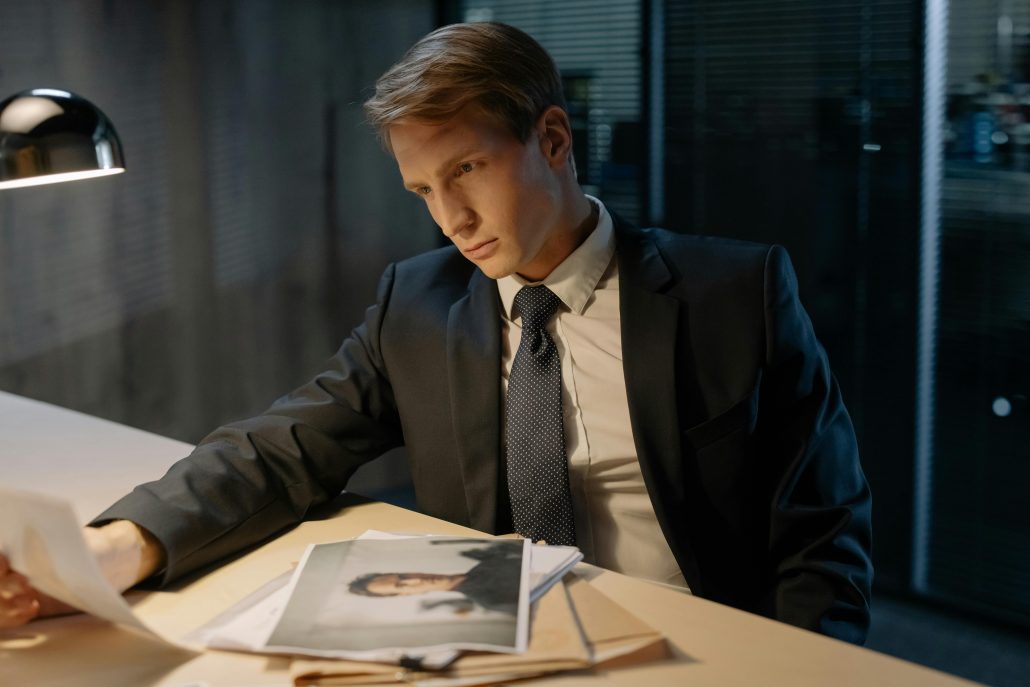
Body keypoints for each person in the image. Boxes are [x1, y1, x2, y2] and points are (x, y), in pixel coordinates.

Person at [0, 22, 872, 643]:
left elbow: (823, 532)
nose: (451, 217)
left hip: (687, 646)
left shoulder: (735, 293)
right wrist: (115, 547)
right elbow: (281, 449)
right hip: (486, 649)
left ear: (554, 139)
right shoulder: (415, 302)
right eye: (423, 190)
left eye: (467, 170)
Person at [349, 542, 521, 615]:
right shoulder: (490, 601)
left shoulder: (488, 560)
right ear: (406, 595)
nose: (416, 580)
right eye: (402, 585)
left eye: (404, 576)